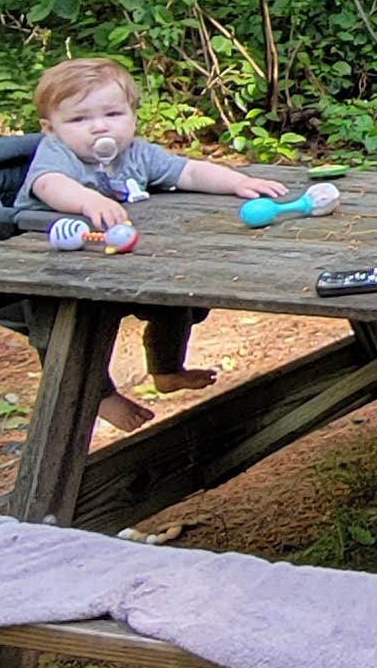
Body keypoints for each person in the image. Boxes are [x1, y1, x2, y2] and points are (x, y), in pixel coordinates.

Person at [20, 57, 293, 436]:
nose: (99, 126)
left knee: (179, 293)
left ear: (132, 116)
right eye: (79, 119)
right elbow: (49, 184)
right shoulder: (57, 155)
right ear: (50, 129)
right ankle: (97, 395)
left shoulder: (136, 153)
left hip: (125, 258)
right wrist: (87, 201)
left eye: (112, 113)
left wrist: (235, 181)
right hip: (55, 263)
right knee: (65, 321)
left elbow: (188, 171)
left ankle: (166, 369)